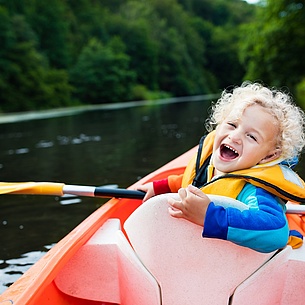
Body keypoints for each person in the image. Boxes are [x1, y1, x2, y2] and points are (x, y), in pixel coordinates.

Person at [138, 81, 305, 253]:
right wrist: (163, 186)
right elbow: (199, 183)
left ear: (269, 156)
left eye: (251, 137)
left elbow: (275, 233)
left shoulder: (254, 190)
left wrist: (210, 216)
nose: (235, 136)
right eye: (232, 125)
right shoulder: (212, 164)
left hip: (241, 269)